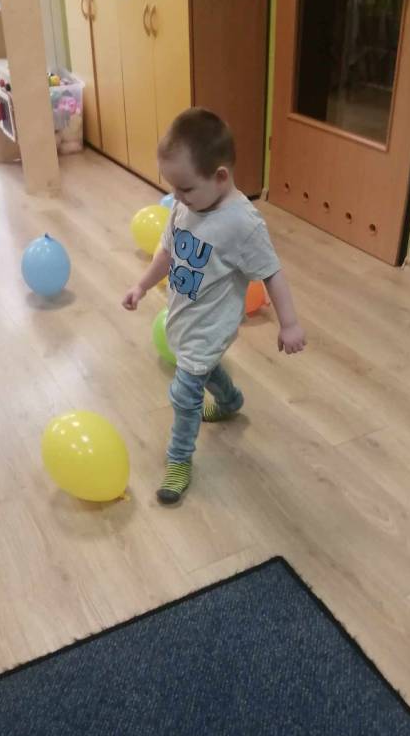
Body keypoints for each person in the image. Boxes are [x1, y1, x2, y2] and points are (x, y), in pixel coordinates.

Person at [122, 108, 306, 504]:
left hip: (211, 325)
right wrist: (141, 285)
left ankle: (178, 461)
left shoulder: (242, 224)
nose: (177, 196)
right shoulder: (185, 206)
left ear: (220, 177)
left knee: (184, 394)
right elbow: (166, 252)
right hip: (184, 318)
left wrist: (289, 323)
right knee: (202, 368)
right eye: (172, 187)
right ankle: (230, 400)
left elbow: (271, 272)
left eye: (185, 188)